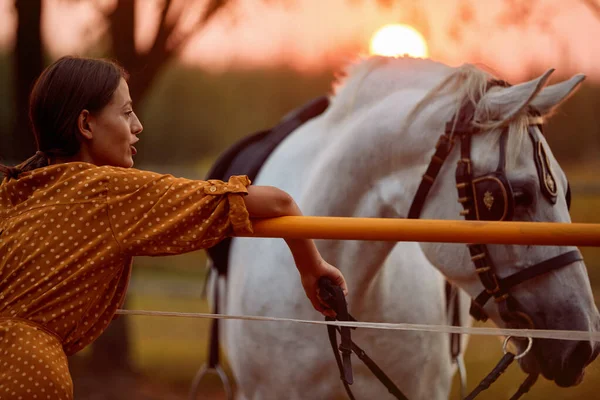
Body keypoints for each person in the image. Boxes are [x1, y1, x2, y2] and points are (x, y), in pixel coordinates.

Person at [0, 56, 347, 399]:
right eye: (125, 113)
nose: (137, 125)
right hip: (27, 376)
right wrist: (311, 268)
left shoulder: (15, 191)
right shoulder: (108, 190)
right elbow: (278, 202)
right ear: (86, 125)